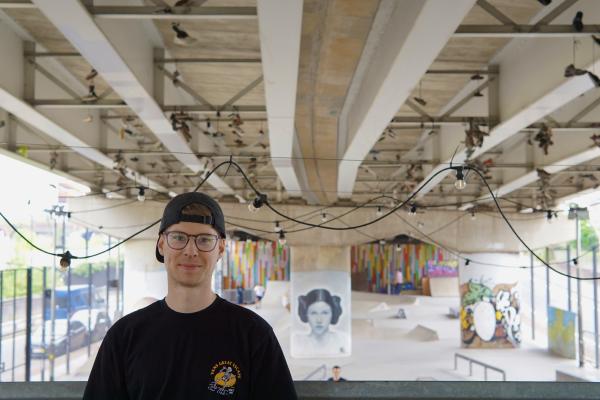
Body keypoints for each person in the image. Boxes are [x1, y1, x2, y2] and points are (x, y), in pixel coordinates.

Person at [83, 192, 297, 399]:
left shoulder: (253, 335)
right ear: (161, 244)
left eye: (204, 240)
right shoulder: (124, 337)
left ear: (221, 249)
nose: (191, 251)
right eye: (178, 238)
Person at [292, 288, 349, 357]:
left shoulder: (343, 339)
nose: (319, 320)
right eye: (313, 313)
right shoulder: (297, 341)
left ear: (333, 314)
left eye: (325, 313)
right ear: (305, 314)